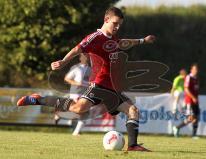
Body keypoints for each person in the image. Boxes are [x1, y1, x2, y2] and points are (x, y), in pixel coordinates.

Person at [17, 7, 156, 151]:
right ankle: (38, 99)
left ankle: (132, 146)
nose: (117, 27)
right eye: (115, 23)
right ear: (106, 20)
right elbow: (77, 49)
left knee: (133, 110)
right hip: (99, 85)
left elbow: (122, 43)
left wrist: (142, 40)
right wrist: (63, 61)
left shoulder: (113, 37)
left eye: (120, 24)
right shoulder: (95, 38)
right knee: (78, 109)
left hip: (112, 87)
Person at [54, 54, 90, 136]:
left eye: (87, 56)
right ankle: (76, 132)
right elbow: (67, 78)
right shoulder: (77, 68)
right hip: (76, 92)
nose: (86, 57)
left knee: (81, 112)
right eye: (84, 56)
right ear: (80, 58)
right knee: (83, 111)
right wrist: (77, 83)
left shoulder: (90, 69)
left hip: (85, 93)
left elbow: (91, 81)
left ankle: (60, 115)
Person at [173, 63, 200, 139]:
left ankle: (194, 135)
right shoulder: (189, 77)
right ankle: (177, 128)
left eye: (197, 69)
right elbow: (186, 89)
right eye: (195, 69)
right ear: (191, 70)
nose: (196, 71)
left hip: (195, 101)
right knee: (191, 118)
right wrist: (193, 97)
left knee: (196, 117)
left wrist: (196, 98)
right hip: (190, 101)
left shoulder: (196, 79)